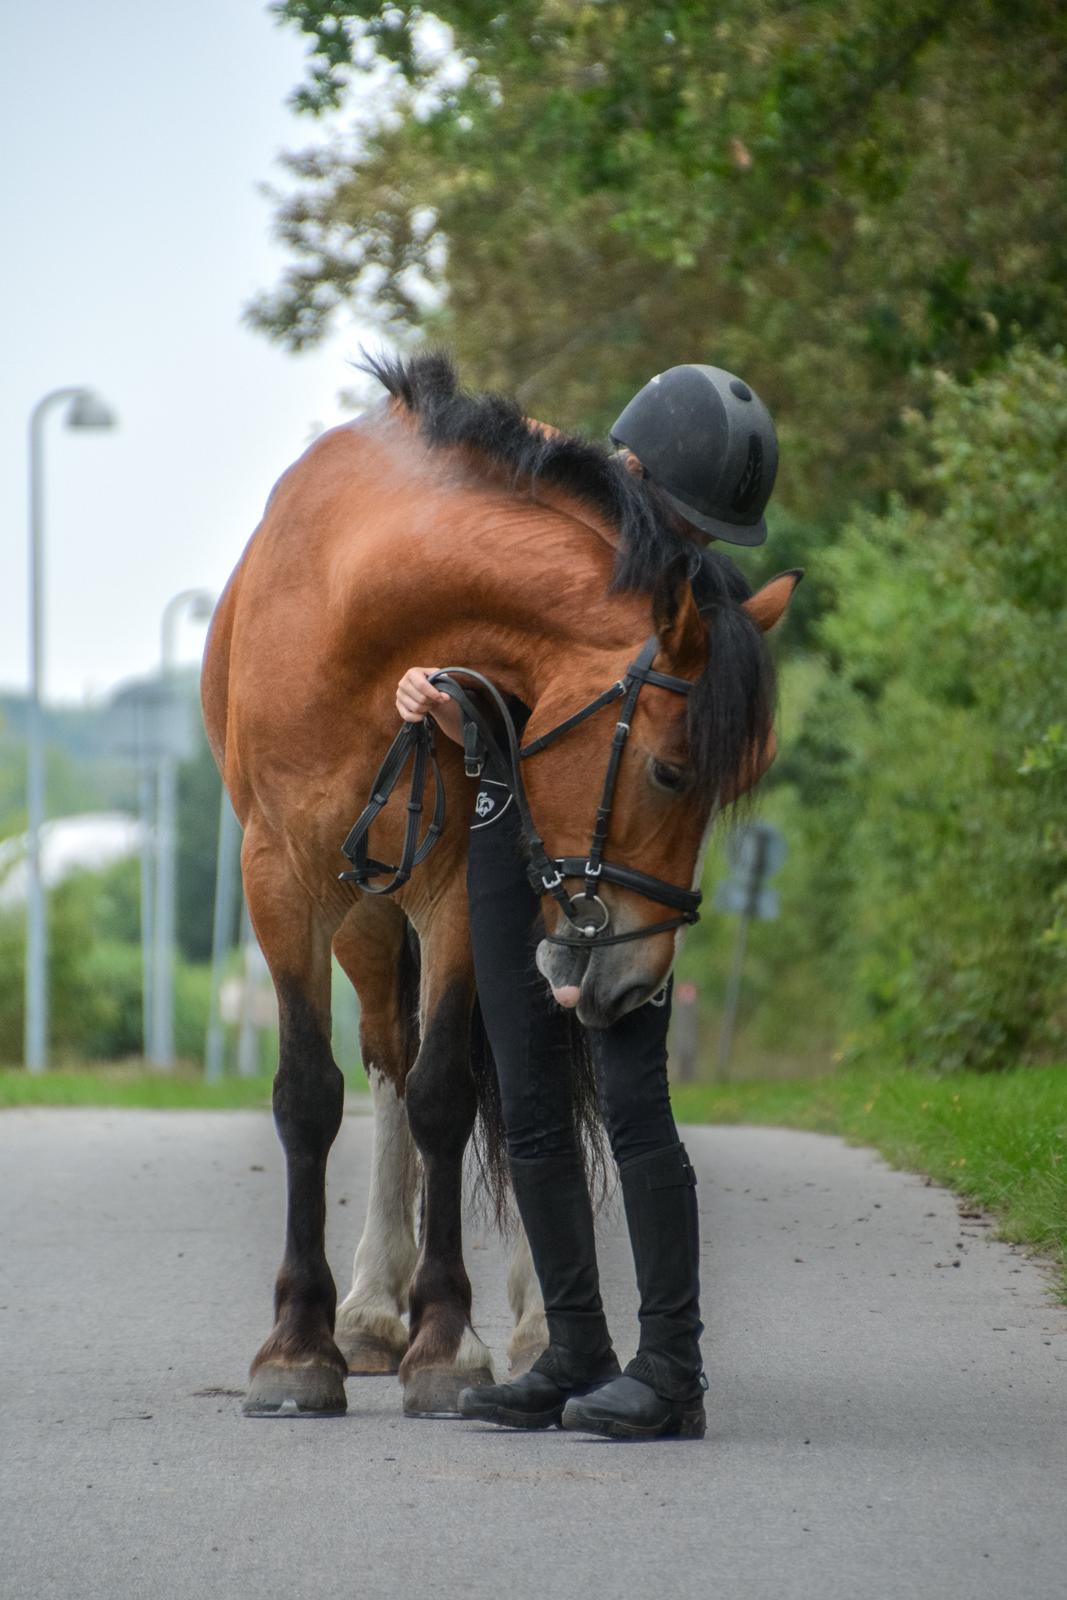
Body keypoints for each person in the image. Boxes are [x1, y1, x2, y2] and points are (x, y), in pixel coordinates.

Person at [395, 365, 779, 1441]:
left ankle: (671, 1370)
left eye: (700, 532)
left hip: (614, 868)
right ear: (628, 471)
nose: (681, 544)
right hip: (503, 826)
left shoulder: (691, 604)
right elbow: (465, 641)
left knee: (632, 1102)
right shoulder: (541, 546)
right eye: (673, 517)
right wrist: (428, 684)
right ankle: (573, 1347)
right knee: (522, 1093)